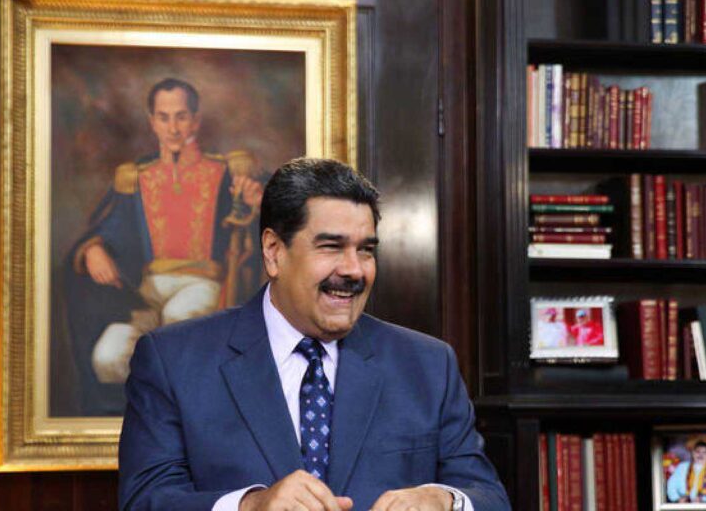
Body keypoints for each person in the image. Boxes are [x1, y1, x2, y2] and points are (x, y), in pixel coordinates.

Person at [118, 158, 511, 511]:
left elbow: (490, 498)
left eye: (366, 250)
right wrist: (249, 506)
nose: (354, 269)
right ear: (274, 251)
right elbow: (145, 500)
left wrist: (444, 501)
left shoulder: (427, 365)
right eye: (331, 247)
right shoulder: (174, 361)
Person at [63, 77, 263, 415]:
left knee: (177, 321)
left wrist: (254, 203)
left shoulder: (225, 171)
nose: (173, 127)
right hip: (146, 296)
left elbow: (252, 225)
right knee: (108, 357)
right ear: (152, 122)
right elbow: (109, 228)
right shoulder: (137, 177)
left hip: (204, 287)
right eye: (164, 117)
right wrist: (94, 248)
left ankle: (184, 415)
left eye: (181, 117)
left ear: (195, 121)